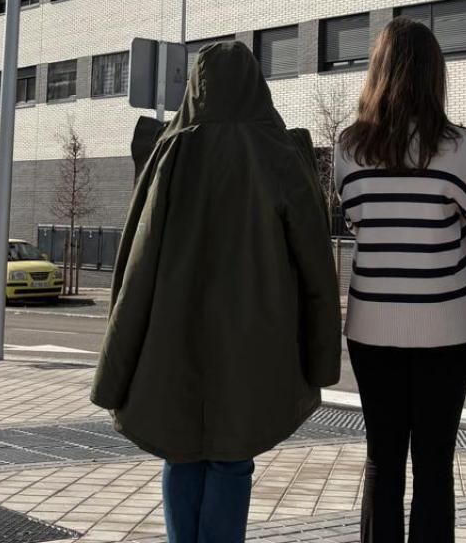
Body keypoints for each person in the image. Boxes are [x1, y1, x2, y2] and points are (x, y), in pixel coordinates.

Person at [93, 42, 341, 543]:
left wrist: (118, 362)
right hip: (254, 335)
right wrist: (320, 360)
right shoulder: (279, 153)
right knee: (231, 457)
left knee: (181, 454)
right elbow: (316, 264)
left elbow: (135, 262)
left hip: (172, 334)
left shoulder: (169, 150)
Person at [334, 17, 466, 543]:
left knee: (382, 462)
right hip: (448, 326)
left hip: (373, 324)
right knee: (434, 464)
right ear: (434, 76)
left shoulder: (349, 149)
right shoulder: (460, 147)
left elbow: (356, 222)